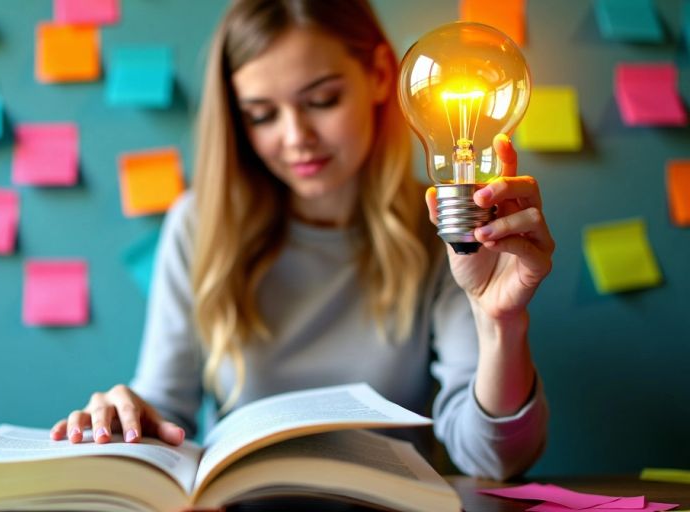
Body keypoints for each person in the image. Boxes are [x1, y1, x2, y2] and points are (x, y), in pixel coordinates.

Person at [50, 0, 553, 481]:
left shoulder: (444, 233)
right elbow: (166, 409)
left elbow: (495, 460)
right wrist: (127, 418)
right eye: (262, 115)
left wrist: (500, 323)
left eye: (321, 100)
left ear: (380, 76)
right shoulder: (199, 224)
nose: (296, 137)